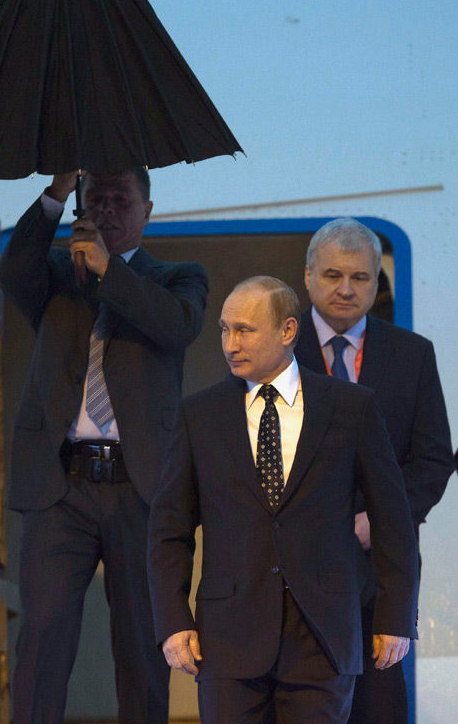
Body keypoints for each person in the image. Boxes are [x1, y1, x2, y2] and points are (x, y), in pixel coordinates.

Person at [148, 276, 419, 724]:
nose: (230, 344)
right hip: (229, 637)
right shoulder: (200, 414)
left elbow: (393, 521)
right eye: (224, 329)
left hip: (325, 635)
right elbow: (168, 530)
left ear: (288, 330)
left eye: (244, 330)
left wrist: (395, 616)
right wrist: (173, 620)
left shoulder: (351, 407)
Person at [0, 167, 208, 724]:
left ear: (148, 211)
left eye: (121, 200)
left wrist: (109, 270)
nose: (108, 210)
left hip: (140, 489)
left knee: (142, 643)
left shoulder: (177, 278)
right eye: (96, 200)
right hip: (59, 488)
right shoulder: (54, 275)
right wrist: (56, 191)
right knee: (43, 637)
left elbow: (177, 326)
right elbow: (12, 269)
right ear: (81, 208)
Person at [294, 217, 454, 724]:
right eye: (333, 275)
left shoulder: (412, 354)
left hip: (382, 567)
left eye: (360, 277)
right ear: (308, 277)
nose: (346, 288)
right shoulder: (277, 350)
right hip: (293, 565)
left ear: (375, 282)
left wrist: (378, 521)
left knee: (380, 705)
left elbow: (433, 459)